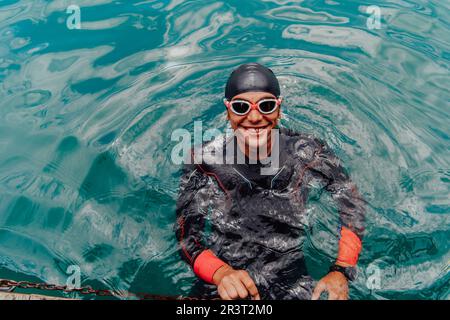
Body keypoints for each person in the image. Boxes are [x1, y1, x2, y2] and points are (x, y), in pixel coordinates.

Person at [175, 63, 365, 300]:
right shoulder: (203, 160)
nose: (254, 118)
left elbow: (352, 205)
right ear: (228, 111)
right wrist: (221, 273)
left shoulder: (306, 151)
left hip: (290, 271)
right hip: (225, 273)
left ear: (278, 108)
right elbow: (186, 234)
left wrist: (341, 271)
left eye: (265, 106)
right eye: (241, 107)